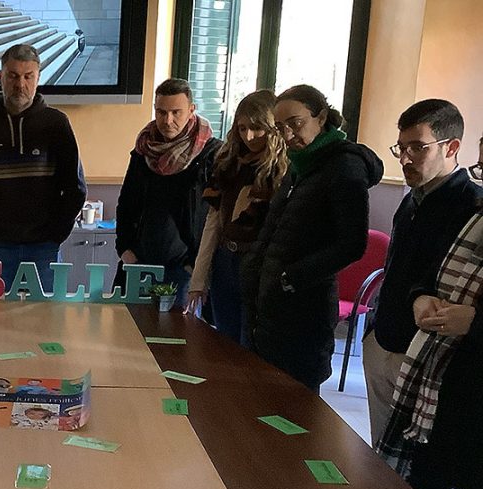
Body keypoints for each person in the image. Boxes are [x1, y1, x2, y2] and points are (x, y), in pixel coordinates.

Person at [377, 138, 483, 489]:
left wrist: (474, 322)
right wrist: (420, 297)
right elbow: (429, 275)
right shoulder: (475, 216)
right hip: (443, 383)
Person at [242, 85, 382, 391]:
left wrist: (291, 277)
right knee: (264, 399)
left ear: (321, 118)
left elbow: (352, 244)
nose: (289, 134)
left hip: (306, 307)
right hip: (270, 303)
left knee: (296, 405)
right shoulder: (299, 166)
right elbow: (276, 228)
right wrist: (254, 269)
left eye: (296, 123)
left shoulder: (345, 166)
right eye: (281, 128)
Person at [363, 100, 481, 448]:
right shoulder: (413, 197)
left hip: (425, 354)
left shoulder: (470, 205)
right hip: (384, 337)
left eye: (418, 147)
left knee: (417, 465)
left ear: (452, 147)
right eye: (402, 147)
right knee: (382, 454)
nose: (405, 158)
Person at [0, 43, 86, 293]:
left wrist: (58, 233)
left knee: (44, 321)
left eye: (28, 76)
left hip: (44, 248)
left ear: (38, 78)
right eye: (13, 76)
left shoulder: (57, 124)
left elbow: (75, 188)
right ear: (0, 77)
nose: (20, 84)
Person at [186, 90, 288, 344]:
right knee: (224, 340)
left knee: (250, 342)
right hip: (224, 260)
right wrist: (198, 280)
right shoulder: (228, 163)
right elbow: (213, 223)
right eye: (242, 128)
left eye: (256, 128)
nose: (249, 136)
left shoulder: (282, 169)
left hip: (257, 262)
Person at [114, 78, 222, 308]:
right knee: (128, 336)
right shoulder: (144, 151)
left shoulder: (211, 154)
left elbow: (216, 215)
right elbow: (126, 204)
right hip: (139, 265)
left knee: (178, 339)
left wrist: (195, 264)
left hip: (183, 271)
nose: (168, 120)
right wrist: (124, 248)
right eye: (161, 112)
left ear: (191, 110)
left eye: (176, 112)